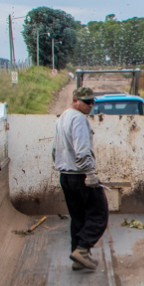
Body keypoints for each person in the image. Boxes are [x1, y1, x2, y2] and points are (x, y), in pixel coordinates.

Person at [52, 86, 108, 270]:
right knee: (99, 214)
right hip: (80, 175)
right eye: (87, 102)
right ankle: (82, 249)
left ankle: (78, 258)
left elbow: (54, 149)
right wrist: (90, 173)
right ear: (76, 101)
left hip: (65, 176)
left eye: (93, 102)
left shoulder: (63, 118)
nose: (91, 105)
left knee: (78, 218)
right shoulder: (79, 119)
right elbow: (82, 150)